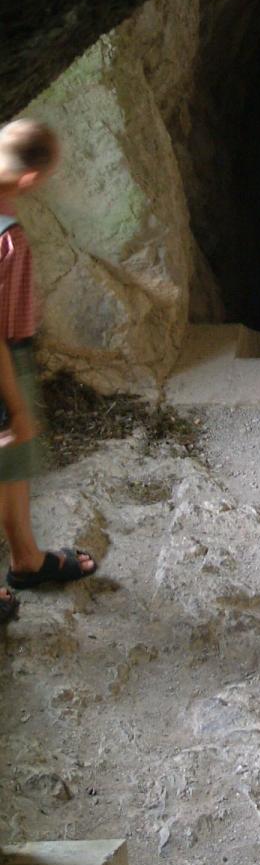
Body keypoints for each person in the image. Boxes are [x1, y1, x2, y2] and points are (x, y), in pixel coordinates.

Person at [0, 119, 95, 624]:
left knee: (13, 469)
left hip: (11, 361)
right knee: (7, 457)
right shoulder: (9, 242)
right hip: (4, 365)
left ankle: (27, 560)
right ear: (31, 180)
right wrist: (16, 407)